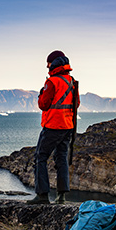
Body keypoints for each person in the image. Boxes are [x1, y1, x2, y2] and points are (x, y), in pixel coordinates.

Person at [27, 50, 80, 204]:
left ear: (54, 63)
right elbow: (76, 104)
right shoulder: (71, 81)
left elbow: (43, 105)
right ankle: (61, 196)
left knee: (40, 157)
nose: (47, 66)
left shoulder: (52, 82)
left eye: (48, 63)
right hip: (67, 126)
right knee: (62, 158)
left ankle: (42, 195)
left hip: (52, 126)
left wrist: (41, 93)